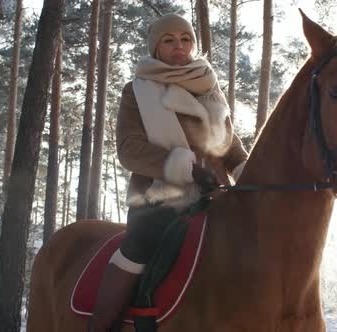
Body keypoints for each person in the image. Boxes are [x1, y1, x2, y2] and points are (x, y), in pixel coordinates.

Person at [88, 13, 248, 332]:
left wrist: (250, 175)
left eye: (185, 39)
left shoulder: (210, 87)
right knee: (142, 241)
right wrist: (185, 168)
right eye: (169, 40)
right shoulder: (136, 91)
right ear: (156, 47)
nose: (179, 47)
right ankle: (101, 325)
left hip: (218, 199)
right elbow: (129, 148)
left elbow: (231, 147)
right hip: (157, 201)